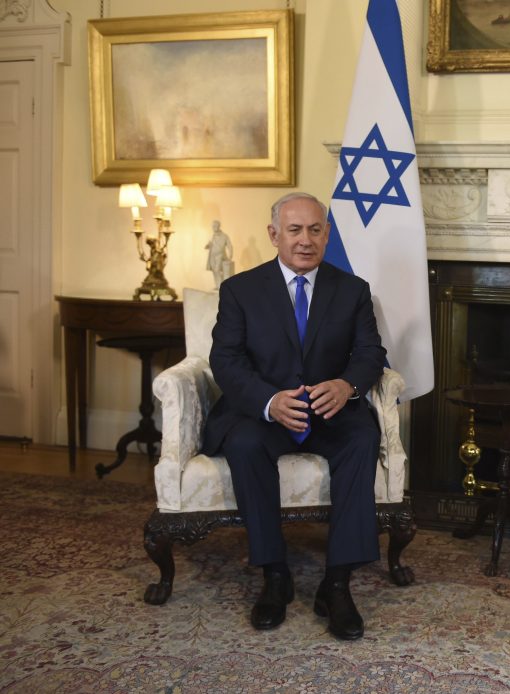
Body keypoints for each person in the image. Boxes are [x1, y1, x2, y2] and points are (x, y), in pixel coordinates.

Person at [202, 192, 386, 640]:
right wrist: (269, 402)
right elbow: (225, 360)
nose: (306, 240)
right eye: (295, 230)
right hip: (265, 412)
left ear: (326, 235)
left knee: (362, 438)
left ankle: (337, 583)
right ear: (274, 235)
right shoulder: (240, 290)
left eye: (315, 230)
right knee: (243, 444)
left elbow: (370, 353)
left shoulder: (352, 289)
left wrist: (348, 386)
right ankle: (274, 575)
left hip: (330, 413)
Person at [205, 220, 234, 289]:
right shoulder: (212, 236)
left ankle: (221, 286)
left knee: (218, 270)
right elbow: (210, 244)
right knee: (214, 270)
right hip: (212, 256)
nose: (213, 227)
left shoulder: (224, 236)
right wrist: (208, 246)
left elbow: (229, 245)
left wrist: (230, 255)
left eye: (215, 226)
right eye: (213, 226)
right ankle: (218, 285)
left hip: (220, 256)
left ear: (218, 226)